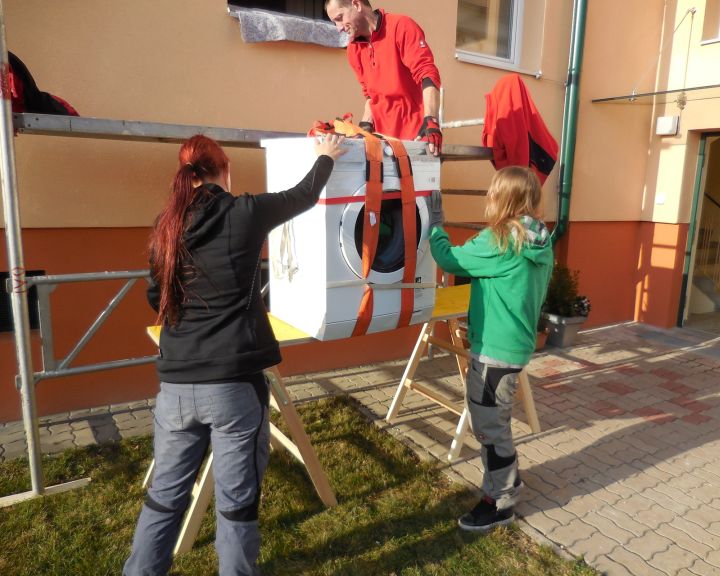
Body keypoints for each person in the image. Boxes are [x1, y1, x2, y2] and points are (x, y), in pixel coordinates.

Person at [123, 133, 346, 576]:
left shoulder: (166, 227)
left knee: (164, 499)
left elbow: (157, 297)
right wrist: (326, 158)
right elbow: (301, 196)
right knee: (236, 506)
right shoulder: (244, 213)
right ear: (224, 170)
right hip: (232, 389)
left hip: (175, 389)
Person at [429, 166, 554, 531]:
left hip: (495, 350)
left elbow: (450, 259)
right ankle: (508, 481)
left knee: (489, 427)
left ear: (504, 198)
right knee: (493, 420)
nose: (488, 198)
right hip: (514, 345)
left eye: (492, 192)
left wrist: (436, 226)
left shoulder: (500, 239)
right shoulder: (538, 237)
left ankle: (499, 502)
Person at [325, 0, 443, 156]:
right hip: (383, 144)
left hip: (417, 136)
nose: (338, 28)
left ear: (357, 4)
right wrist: (365, 127)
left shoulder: (401, 26)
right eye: (334, 22)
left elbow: (427, 75)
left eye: (340, 18)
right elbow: (370, 96)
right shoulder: (353, 49)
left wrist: (431, 120)